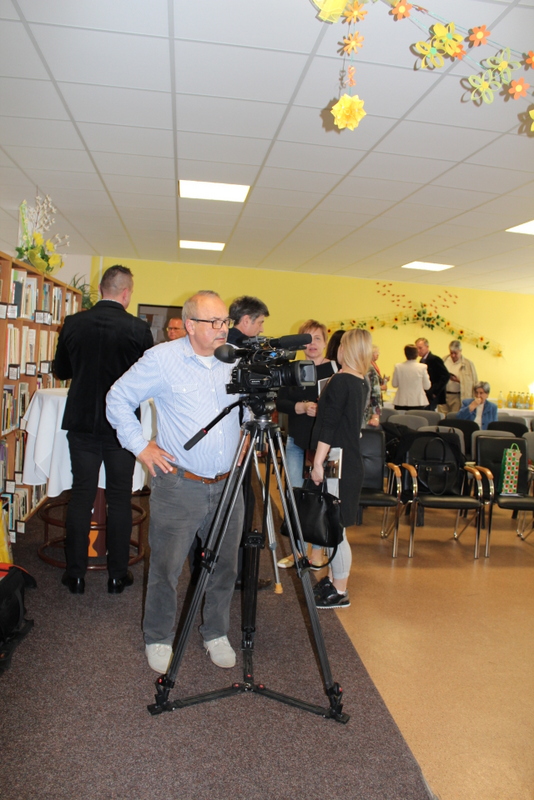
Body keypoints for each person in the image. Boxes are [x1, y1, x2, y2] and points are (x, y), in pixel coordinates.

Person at [106, 290, 244, 674]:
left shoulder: (234, 359)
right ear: (190, 325)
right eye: (214, 322)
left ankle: (215, 632)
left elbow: (245, 408)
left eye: (225, 321)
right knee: (166, 568)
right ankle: (158, 636)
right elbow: (117, 399)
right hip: (179, 484)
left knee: (224, 566)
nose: (222, 329)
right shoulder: (162, 359)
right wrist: (141, 446)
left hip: (229, 486)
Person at [53, 265, 153, 595]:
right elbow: (146, 380)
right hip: (121, 426)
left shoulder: (73, 323)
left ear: (100, 289)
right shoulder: (138, 329)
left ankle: (75, 575)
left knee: (81, 495)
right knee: (119, 498)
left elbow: (61, 370)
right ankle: (117, 575)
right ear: (126, 293)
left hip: (82, 421)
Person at [310, 328, 372, 609]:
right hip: (348, 459)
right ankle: (334, 580)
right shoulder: (360, 381)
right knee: (335, 525)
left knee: (337, 528)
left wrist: (318, 462)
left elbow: (329, 426)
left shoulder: (342, 380)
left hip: (337, 460)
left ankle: (340, 589)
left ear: (346, 349)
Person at [276, 320, 338, 569]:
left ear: (325, 342)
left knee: (320, 497)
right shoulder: (291, 369)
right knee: (294, 496)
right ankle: (297, 551)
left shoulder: (335, 369)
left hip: (325, 447)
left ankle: (318, 552)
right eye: (307, 339)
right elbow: (279, 401)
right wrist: (300, 407)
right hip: (297, 442)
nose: (312, 344)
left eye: (317, 339)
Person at [227, 294, 272, 591]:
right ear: (246, 321)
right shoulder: (239, 352)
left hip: (230, 437)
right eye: (260, 322)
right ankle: (240, 574)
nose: (261, 329)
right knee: (242, 505)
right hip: (237, 438)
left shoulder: (221, 347)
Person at [439, 340, 478, 415]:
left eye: (455, 353)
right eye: (451, 353)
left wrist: (459, 380)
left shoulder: (468, 364)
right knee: (443, 417)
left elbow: (473, 382)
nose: (453, 355)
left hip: (457, 397)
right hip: (443, 395)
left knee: (455, 417)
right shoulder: (444, 361)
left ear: (460, 351)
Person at [391, 345, 431, 410]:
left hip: (401, 400)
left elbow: (394, 384)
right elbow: (427, 386)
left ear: (405, 354)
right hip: (418, 401)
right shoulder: (422, 367)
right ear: (417, 354)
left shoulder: (398, 367)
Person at [415, 337, 450, 411]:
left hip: (431, 393)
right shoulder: (421, 361)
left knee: (428, 412)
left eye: (420, 348)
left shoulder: (435, 359)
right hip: (425, 394)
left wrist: (435, 391)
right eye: (416, 348)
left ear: (427, 347)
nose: (418, 350)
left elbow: (445, 376)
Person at [364, 345, 384, 427]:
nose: (377, 355)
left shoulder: (370, 368)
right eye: (376, 353)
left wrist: (375, 416)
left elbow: (375, 391)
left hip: (367, 410)